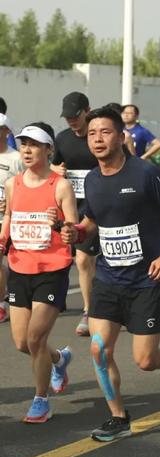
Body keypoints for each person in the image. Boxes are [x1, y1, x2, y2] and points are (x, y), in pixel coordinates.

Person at [61, 106, 160, 442]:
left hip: (147, 279)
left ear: (121, 136)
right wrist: (77, 232)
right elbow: (93, 222)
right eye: (92, 133)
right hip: (107, 278)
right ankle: (118, 417)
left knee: (145, 361)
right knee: (98, 349)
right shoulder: (91, 179)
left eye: (105, 132)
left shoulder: (145, 173)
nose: (98, 139)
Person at [0, 123, 78, 422]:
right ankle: (59, 359)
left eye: (34, 144)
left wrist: (58, 223)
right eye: (23, 144)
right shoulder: (13, 183)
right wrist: (2, 238)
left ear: (49, 149)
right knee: (22, 342)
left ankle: (40, 399)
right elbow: (9, 215)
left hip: (52, 268)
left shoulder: (60, 186)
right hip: (20, 266)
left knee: (35, 338)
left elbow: (73, 226)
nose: (28, 150)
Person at [51, 91, 101, 337]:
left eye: (76, 115)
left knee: (104, 262)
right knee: (82, 260)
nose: (71, 120)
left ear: (87, 110)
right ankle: (89, 311)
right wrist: (55, 169)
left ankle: (112, 305)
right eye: (67, 117)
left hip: (104, 207)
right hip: (76, 210)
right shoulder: (62, 139)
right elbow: (51, 165)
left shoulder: (99, 136)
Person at [0, 113, 23, 323]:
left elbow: (26, 186)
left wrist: (10, 202)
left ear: (6, 131)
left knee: (12, 260)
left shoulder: (16, 158)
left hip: (10, 219)